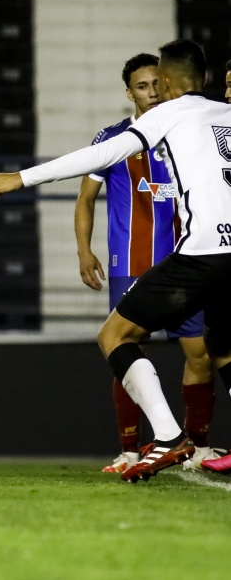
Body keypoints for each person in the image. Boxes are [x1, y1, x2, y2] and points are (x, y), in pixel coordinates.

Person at [0, 39, 231, 483]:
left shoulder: (167, 114)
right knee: (225, 348)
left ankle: (171, 437)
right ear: (208, 79)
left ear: (169, 83)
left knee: (115, 334)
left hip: (201, 256)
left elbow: (102, 155)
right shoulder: (226, 113)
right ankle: (161, 442)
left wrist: (23, 177)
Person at [74, 53, 218, 473]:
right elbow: (85, 199)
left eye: (157, 83)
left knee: (200, 355)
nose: (152, 92)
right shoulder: (114, 138)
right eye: (142, 86)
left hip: (185, 261)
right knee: (125, 348)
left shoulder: (187, 132)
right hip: (132, 262)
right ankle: (131, 449)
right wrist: (84, 250)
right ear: (129, 93)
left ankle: (200, 446)